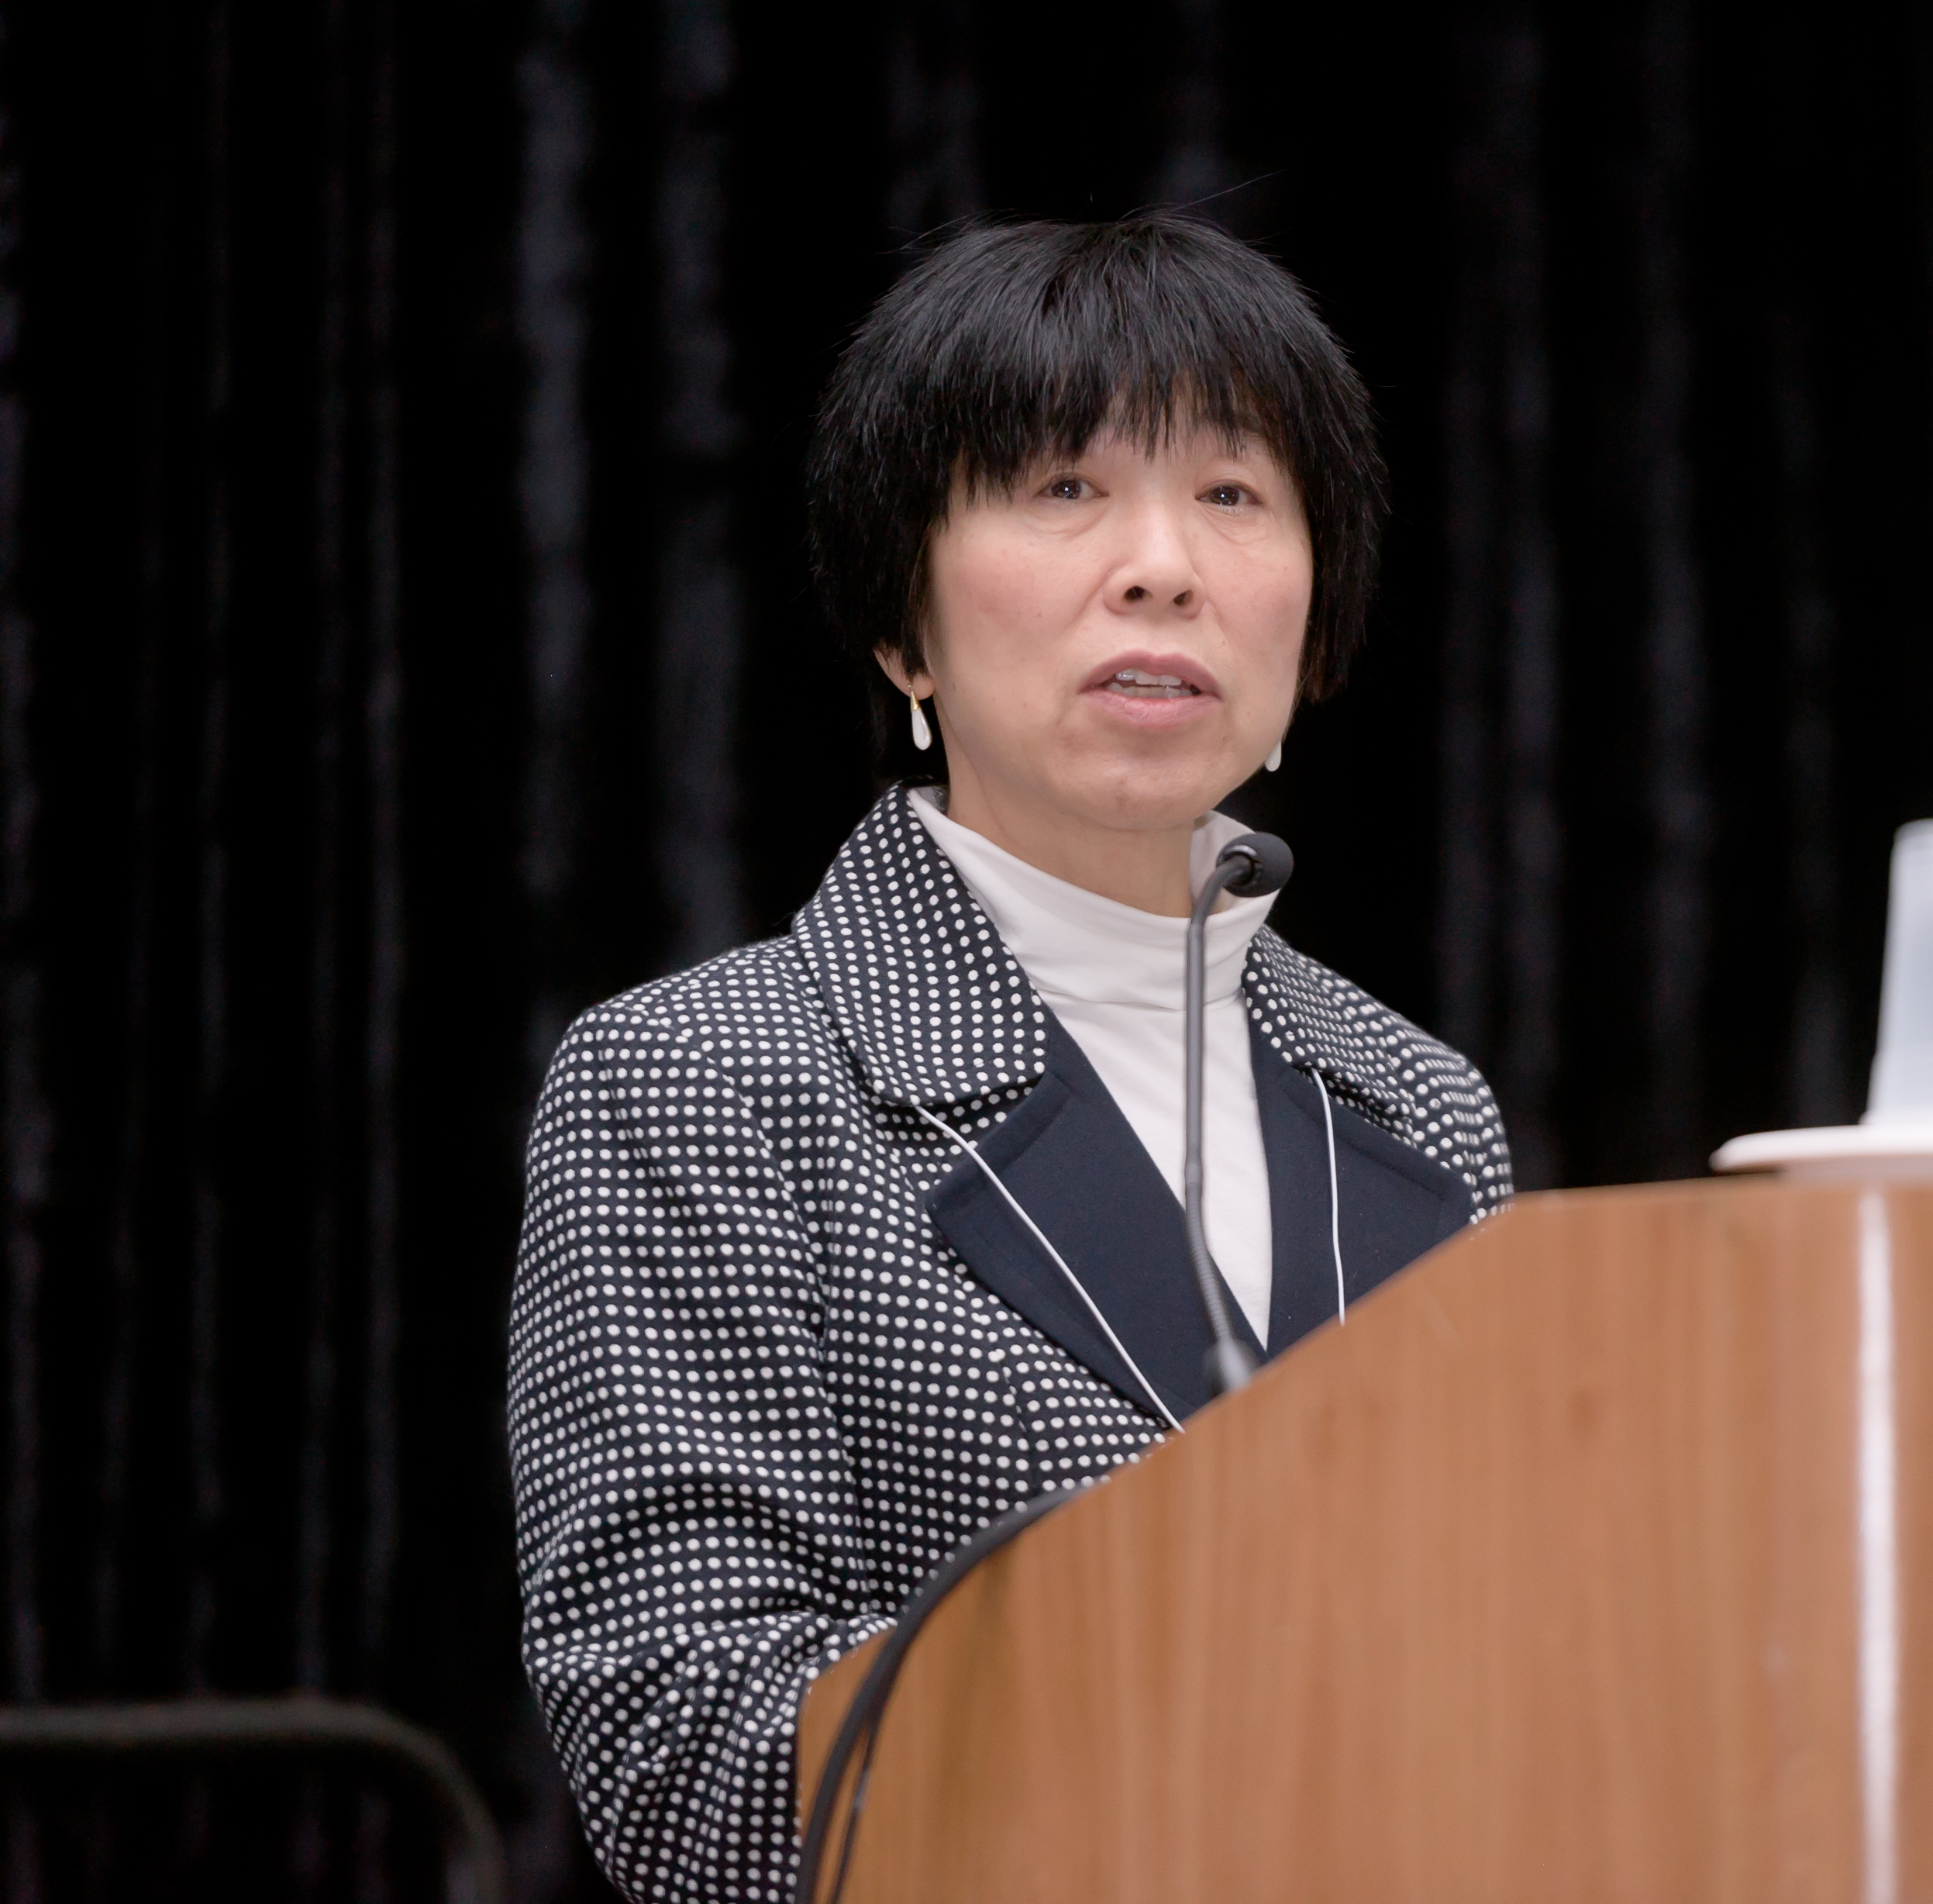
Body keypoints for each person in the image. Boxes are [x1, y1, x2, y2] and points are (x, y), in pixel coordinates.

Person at [506, 216, 1513, 1904]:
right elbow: (685, 1749)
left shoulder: (1420, 1102)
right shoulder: (705, 1079)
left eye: (1234, 493)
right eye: (1062, 487)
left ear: (1315, 623)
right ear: (904, 628)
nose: (1162, 565)